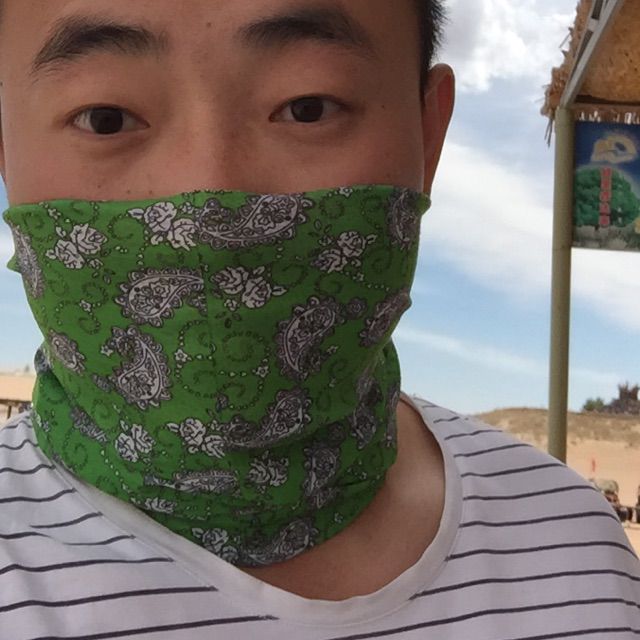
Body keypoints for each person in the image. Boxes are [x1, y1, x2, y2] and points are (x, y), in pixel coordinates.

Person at [1, 2, 639, 638]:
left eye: (308, 107)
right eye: (106, 118)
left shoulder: (582, 559)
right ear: (5, 147)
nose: (210, 197)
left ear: (428, 133)